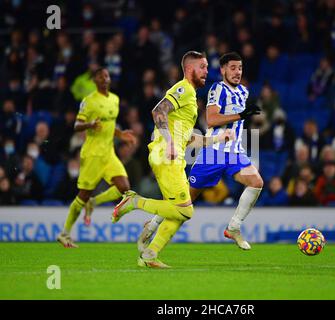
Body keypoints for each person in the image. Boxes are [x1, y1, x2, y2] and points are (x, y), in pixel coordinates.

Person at [111, 51, 234, 268]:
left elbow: (187, 139)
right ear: (190, 69)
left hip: (170, 155)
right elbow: (158, 111)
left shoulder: (191, 100)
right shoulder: (184, 88)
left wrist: (217, 139)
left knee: (179, 211)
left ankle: (150, 254)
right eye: (203, 67)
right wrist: (168, 141)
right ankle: (135, 202)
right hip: (166, 154)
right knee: (185, 210)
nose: (207, 71)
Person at [138, 51, 263, 252]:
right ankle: (152, 225)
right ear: (222, 70)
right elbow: (212, 119)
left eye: (240, 68)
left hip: (235, 151)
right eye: (232, 68)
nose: (237, 72)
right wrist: (241, 114)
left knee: (256, 182)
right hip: (213, 152)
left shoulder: (244, 92)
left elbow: (241, 119)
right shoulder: (216, 89)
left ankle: (234, 227)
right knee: (186, 199)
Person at [57, 67, 137, 248]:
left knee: (124, 188)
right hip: (92, 154)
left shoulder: (115, 100)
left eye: (107, 76)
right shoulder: (89, 101)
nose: (105, 79)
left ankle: (94, 202)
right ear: (95, 81)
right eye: (101, 77)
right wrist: (90, 124)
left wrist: (121, 134)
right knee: (82, 195)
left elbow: (109, 125)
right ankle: (65, 233)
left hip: (108, 153)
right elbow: (77, 125)